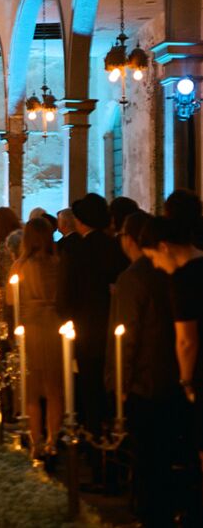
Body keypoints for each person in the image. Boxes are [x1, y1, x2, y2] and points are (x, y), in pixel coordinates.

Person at [109, 210, 184, 526]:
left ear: (130, 239)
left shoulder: (135, 276)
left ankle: (151, 513)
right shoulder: (175, 270)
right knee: (168, 452)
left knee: (147, 456)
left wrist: (119, 383)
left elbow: (127, 335)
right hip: (176, 375)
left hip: (145, 379)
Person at [57, 192, 128, 437]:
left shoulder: (78, 250)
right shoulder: (116, 247)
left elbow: (68, 291)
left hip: (85, 328)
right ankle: (111, 431)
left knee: (88, 383)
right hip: (114, 324)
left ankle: (92, 435)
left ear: (81, 221)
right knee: (110, 382)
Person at [140, 210, 203, 479]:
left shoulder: (182, 279)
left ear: (164, 247)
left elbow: (186, 340)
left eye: (153, 257)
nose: (155, 265)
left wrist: (187, 381)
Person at [7, 218, 63, 459]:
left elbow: (10, 300)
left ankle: (36, 441)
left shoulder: (20, 266)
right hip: (55, 326)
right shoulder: (58, 263)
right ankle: (53, 441)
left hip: (30, 326)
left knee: (31, 390)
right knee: (55, 389)